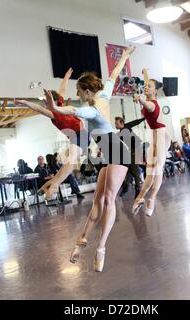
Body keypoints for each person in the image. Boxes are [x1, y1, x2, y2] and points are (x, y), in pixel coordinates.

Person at [43, 46, 135, 272]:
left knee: (108, 199)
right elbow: (114, 75)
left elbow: (74, 111)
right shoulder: (104, 94)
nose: (78, 94)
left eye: (79, 90)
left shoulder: (92, 109)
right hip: (109, 155)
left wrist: (55, 107)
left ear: (86, 91)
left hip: (119, 153)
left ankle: (101, 246)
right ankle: (82, 240)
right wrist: (124, 56)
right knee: (97, 200)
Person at [15, 68, 88, 198]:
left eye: (46, 101)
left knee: (70, 161)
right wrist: (65, 77)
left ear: (52, 102)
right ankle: (50, 183)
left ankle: (54, 184)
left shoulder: (54, 113)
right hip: (77, 136)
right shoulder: (58, 105)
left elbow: (39, 109)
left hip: (80, 134)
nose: (44, 103)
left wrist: (25, 102)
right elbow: (62, 89)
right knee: (67, 163)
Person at [132, 68, 171, 217]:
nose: (146, 87)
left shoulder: (153, 104)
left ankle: (152, 199)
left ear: (155, 92)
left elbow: (147, 104)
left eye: (149, 86)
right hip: (153, 136)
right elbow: (147, 90)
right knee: (150, 170)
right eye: (146, 85)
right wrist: (145, 73)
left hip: (162, 136)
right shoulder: (149, 98)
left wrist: (140, 98)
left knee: (158, 169)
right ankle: (140, 197)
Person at [115, 116, 145, 198]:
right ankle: (126, 187)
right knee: (128, 169)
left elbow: (136, 121)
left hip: (137, 148)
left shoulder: (127, 126)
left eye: (117, 123)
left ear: (122, 123)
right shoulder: (119, 134)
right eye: (115, 123)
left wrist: (145, 117)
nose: (115, 125)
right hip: (132, 150)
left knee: (134, 170)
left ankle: (137, 190)